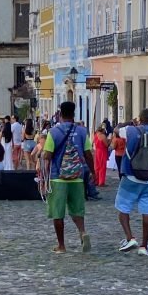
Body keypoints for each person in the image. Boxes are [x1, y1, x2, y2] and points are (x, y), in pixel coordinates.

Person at [40, 102, 93, 253]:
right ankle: (82, 232)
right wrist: (93, 172)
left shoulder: (54, 132)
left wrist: (43, 153)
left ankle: (61, 245)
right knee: (77, 210)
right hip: (77, 177)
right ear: (74, 114)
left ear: (60, 114)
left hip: (58, 177)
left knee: (58, 213)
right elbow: (88, 154)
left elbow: (48, 156)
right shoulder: (82, 131)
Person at [116, 108, 148, 256]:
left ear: (140, 119)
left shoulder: (131, 131)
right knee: (147, 212)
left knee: (123, 208)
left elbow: (117, 130)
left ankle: (130, 237)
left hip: (131, 175)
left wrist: (130, 123)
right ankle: (144, 246)